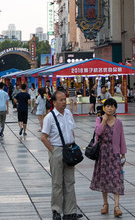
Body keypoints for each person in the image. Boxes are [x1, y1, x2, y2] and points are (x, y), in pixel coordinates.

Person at [41, 89, 80, 220]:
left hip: (69, 150)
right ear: (54, 102)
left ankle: (70, 211)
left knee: (70, 182)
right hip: (56, 150)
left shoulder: (68, 113)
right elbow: (43, 137)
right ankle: (56, 211)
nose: (64, 102)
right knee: (57, 183)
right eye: (61, 100)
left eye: (65, 99)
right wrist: (53, 151)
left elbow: (71, 131)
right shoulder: (49, 117)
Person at [89, 98, 127, 217]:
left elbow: (122, 138)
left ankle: (117, 206)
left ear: (115, 108)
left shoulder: (118, 122)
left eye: (112, 106)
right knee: (104, 178)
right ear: (104, 107)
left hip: (114, 153)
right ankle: (105, 204)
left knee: (116, 178)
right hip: (102, 154)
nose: (110, 108)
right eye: (107, 106)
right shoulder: (99, 119)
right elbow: (98, 132)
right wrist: (103, 121)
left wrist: (123, 154)